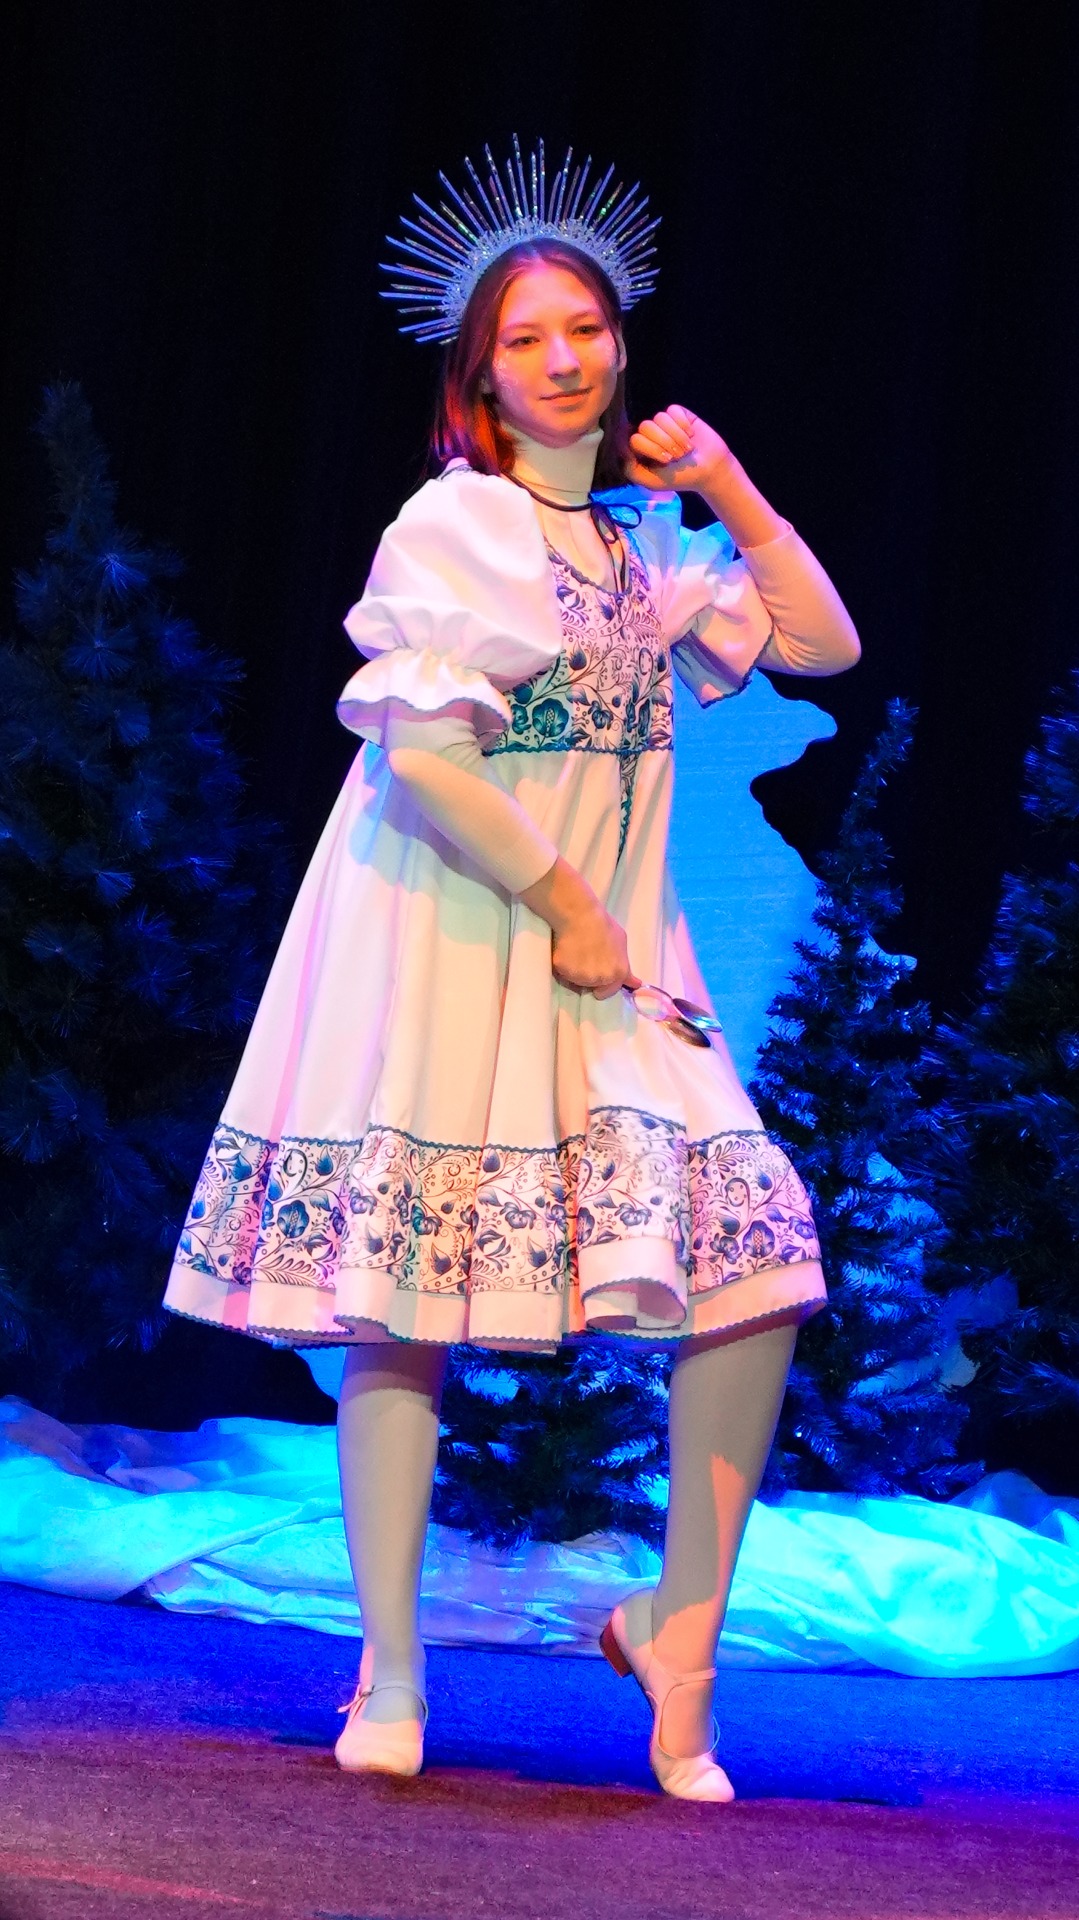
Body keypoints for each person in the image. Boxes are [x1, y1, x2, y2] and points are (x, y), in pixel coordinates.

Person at [163, 143, 860, 1802]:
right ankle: (392, 1665)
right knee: (405, 1307)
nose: (566, 358)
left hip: (607, 955)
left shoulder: (642, 547)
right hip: (461, 929)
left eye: (588, 329)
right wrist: (563, 901)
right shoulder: (456, 523)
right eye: (528, 338)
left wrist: (729, 488)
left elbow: (822, 642)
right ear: (480, 374)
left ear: (622, 345)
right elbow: (425, 755)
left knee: (757, 1265)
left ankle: (678, 1634)